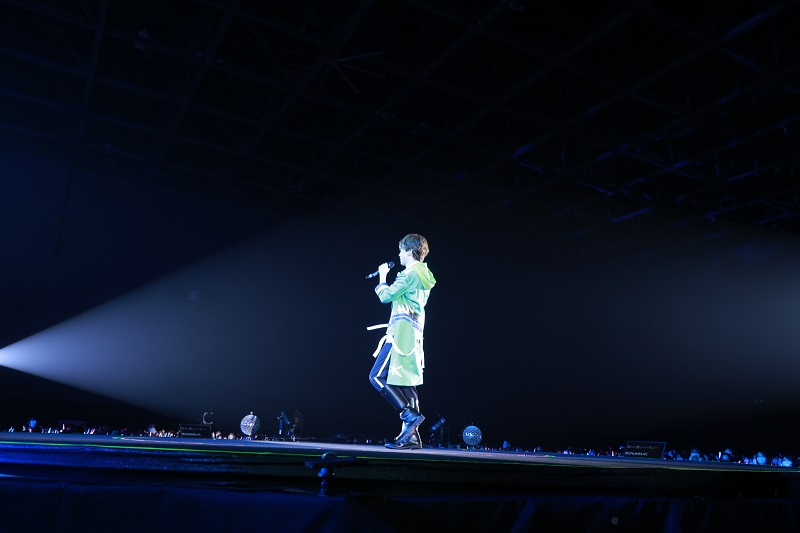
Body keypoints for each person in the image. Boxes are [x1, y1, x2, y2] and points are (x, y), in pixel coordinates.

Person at [368, 234, 436, 450]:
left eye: (401, 250)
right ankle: (412, 438)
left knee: (376, 376)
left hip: (400, 333)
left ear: (409, 251)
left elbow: (385, 296)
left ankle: (408, 414)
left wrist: (382, 277)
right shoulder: (424, 274)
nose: (399, 254)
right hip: (414, 334)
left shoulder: (409, 274)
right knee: (407, 384)